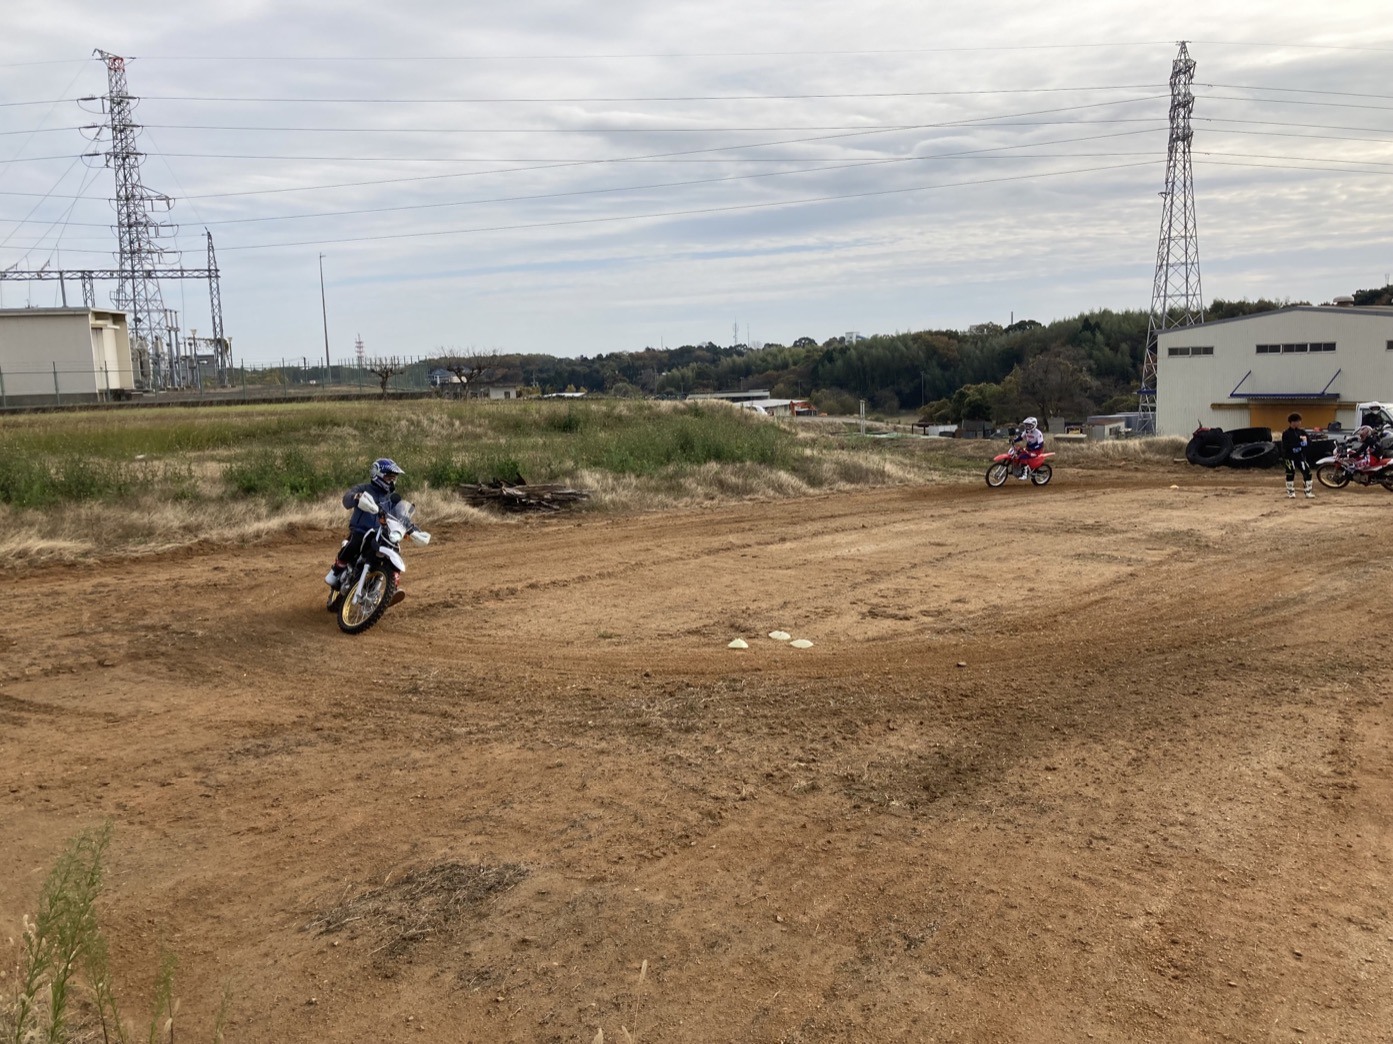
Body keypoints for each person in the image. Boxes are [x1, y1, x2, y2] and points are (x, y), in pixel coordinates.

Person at [325, 458, 405, 586]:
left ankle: (392, 582)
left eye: (394, 478)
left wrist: (410, 526)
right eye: (389, 477)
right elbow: (346, 500)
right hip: (361, 529)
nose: (391, 481)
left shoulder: (392, 498)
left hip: (381, 533)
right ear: (377, 475)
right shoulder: (363, 488)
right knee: (357, 541)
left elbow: (401, 513)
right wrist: (355, 497)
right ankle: (337, 568)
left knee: (395, 547)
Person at [1280, 413, 1314, 499]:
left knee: (1307, 472)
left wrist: (1304, 445)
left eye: (1299, 421)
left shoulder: (1302, 432)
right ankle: (1291, 492)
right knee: (1290, 473)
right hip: (1289, 456)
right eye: (1298, 421)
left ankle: (1308, 492)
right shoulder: (1286, 433)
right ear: (1292, 422)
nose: (1299, 423)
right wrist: (1299, 444)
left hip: (1300, 456)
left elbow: (1309, 442)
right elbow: (1286, 445)